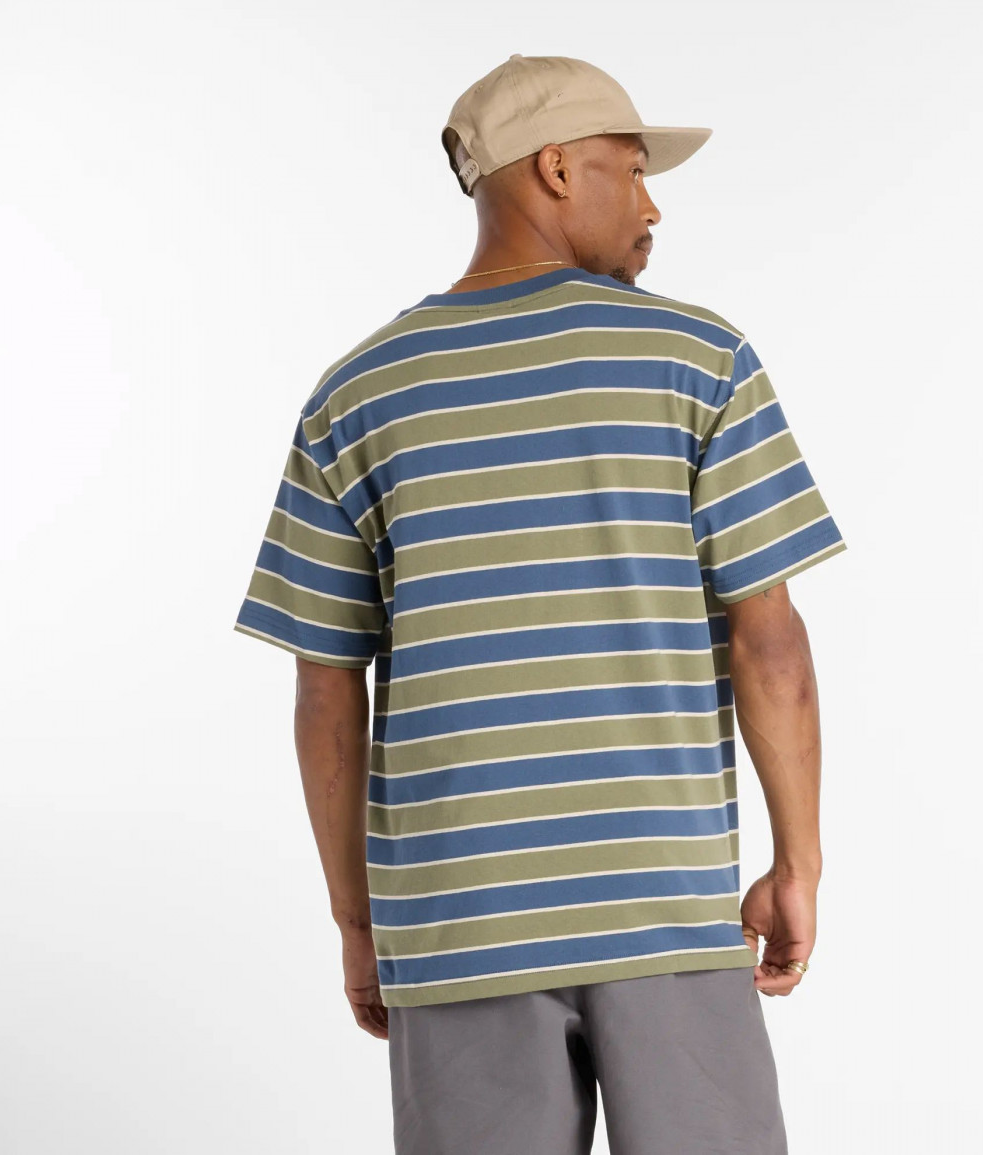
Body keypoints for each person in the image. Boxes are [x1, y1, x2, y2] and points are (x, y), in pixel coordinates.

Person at [233, 52, 847, 1155]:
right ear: (557, 169)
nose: (652, 205)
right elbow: (770, 644)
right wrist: (796, 864)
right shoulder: (698, 360)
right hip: (664, 911)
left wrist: (359, 921)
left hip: (456, 923)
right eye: (633, 168)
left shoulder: (356, 395)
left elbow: (327, 687)